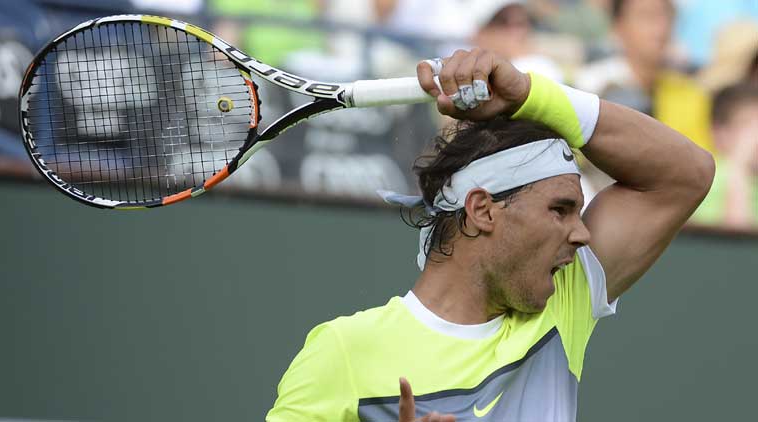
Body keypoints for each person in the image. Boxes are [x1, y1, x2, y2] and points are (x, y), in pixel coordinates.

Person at [266, 48, 714, 421]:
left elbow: (688, 173)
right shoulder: (344, 351)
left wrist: (531, 96)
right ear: (482, 210)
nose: (581, 234)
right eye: (560, 210)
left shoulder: (565, 298)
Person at [574, 0, 714, 153]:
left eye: (666, 15)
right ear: (618, 26)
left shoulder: (689, 91)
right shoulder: (592, 88)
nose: (661, 28)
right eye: (647, 16)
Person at [691, 84, 758, 229]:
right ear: (718, 133)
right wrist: (739, 169)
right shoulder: (704, 180)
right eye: (747, 126)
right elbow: (734, 237)